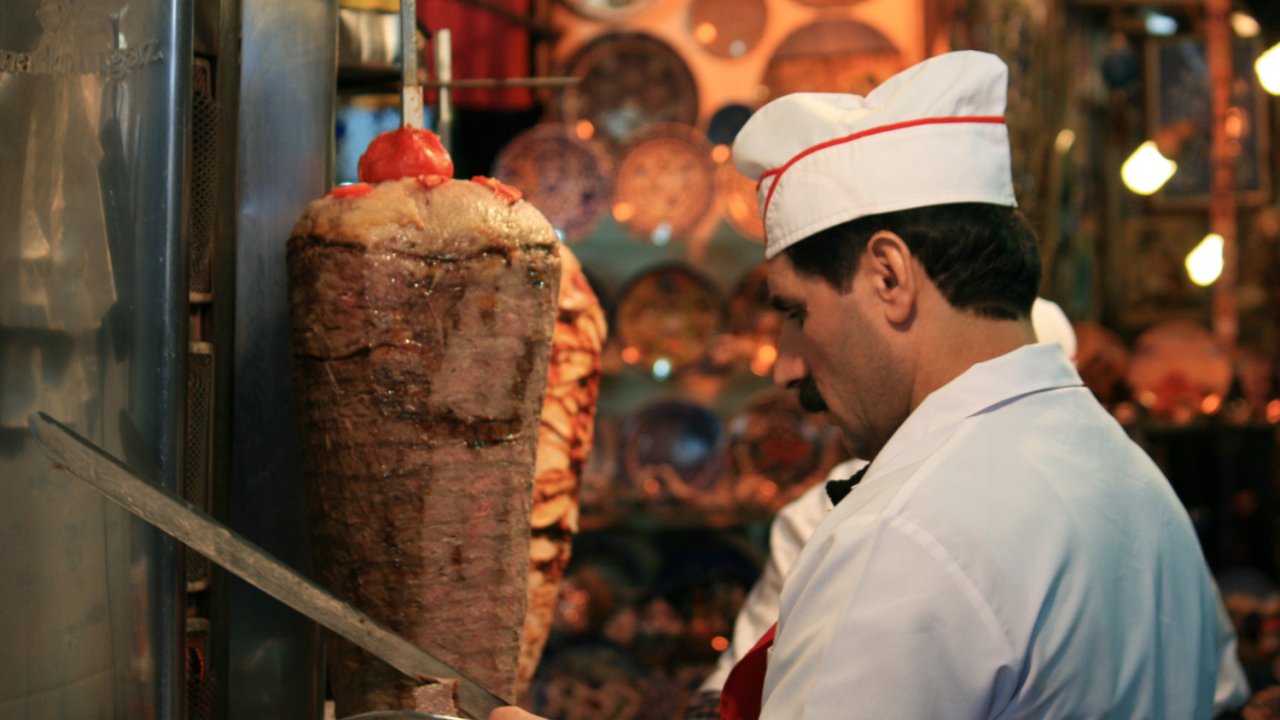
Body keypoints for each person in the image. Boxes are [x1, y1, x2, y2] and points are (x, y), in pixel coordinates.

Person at [491, 50, 1244, 720]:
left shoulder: (910, 531)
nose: (787, 365)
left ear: (889, 276)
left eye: (795, 311)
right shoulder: (1128, 476)